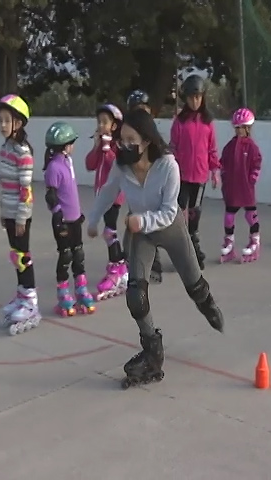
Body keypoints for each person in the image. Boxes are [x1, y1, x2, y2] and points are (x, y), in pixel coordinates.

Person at [86, 108, 225, 389]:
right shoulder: (122, 165)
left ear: (147, 140)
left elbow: (169, 210)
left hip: (169, 228)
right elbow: (108, 191)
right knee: (136, 294)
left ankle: (208, 304)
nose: (123, 145)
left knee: (194, 284)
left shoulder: (167, 166)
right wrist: (92, 220)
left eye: (130, 139)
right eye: (120, 139)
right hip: (140, 234)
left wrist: (142, 219)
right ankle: (152, 351)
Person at [0, 94, 41, 335]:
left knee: (23, 256)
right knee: (16, 255)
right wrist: (4, 213)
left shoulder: (22, 151)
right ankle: (21, 294)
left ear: (19, 123)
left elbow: (26, 190)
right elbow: (6, 186)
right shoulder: (6, 148)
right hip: (10, 212)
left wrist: (22, 217)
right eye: (0, 120)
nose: (2, 125)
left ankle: (31, 301)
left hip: (21, 214)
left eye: (7, 121)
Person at [44, 121, 97, 316]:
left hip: (75, 219)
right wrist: (58, 214)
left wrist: (77, 213)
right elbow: (51, 196)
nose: (73, 146)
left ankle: (81, 289)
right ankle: (63, 293)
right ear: (64, 145)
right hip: (62, 221)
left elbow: (71, 192)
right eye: (71, 143)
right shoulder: (54, 167)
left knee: (78, 254)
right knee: (65, 255)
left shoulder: (68, 162)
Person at [170, 74, 221, 269]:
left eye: (198, 97)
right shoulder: (179, 122)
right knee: (180, 210)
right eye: (192, 97)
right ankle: (182, 247)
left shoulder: (208, 123)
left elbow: (212, 150)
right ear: (186, 98)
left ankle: (194, 241)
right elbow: (173, 147)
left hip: (200, 176)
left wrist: (215, 171)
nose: (195, 101)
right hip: (182, 176)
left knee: (195, 211)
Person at [85, 104, 128, 301]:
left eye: (105, 122)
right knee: (108, 231)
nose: (101, 126)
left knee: (109, 230)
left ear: (114, 126)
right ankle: (119, 266)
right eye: (99, 122)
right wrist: (97, 148)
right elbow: (89, 165)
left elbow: (116, 166)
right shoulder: (102, 145)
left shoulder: (117, 145)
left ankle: (117, 268)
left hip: (114, 195)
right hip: (101, 194)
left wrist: (107, 148)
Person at [125, 89, 164, 284]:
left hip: (153, 185)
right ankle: (131, 264)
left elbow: (164, 155)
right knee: (134, 226)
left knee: (152, 225)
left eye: (144, 110)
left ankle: (154, 266)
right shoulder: (128, 135)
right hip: (135, 187)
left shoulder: (154, 134)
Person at [219, 107, 262, 263]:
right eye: (236, 128)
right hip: (232, 187)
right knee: (229, 216)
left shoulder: (251, 146)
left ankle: (255, 241)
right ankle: (229, 242)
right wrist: (223, 175)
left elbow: (257, 162)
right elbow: (222, 162)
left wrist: (253, 178)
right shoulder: (230, 146)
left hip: (246, 188)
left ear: (248, 128)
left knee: (251, 215)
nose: (238, 131)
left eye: (242, 128)